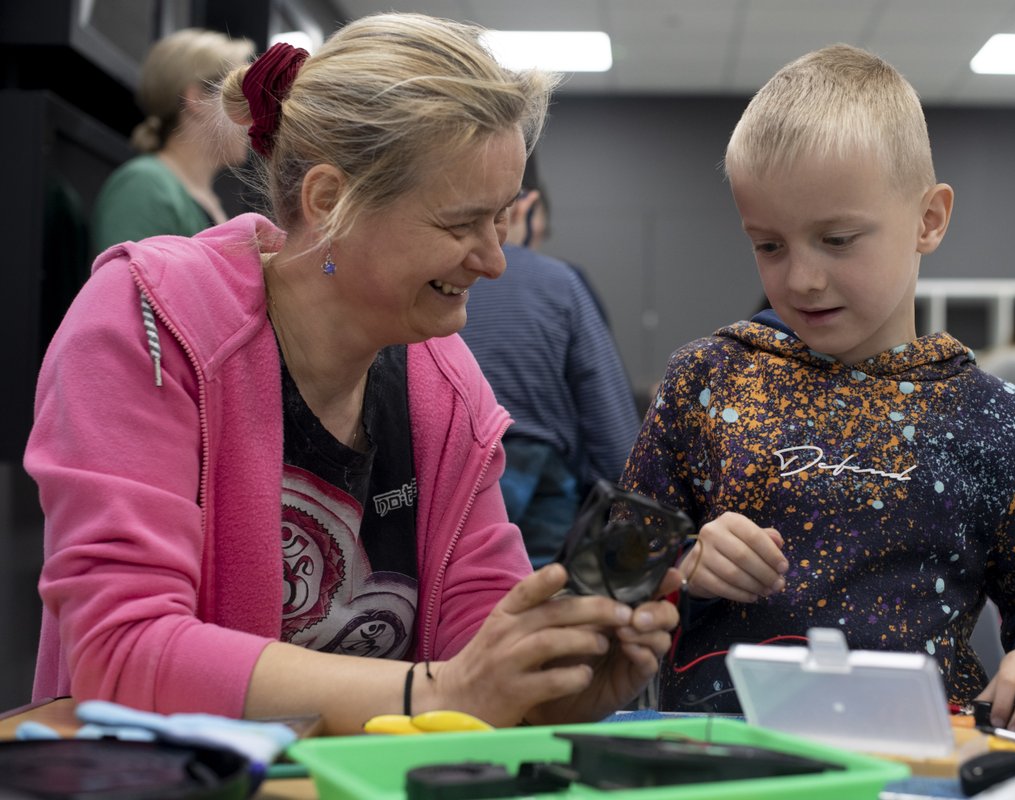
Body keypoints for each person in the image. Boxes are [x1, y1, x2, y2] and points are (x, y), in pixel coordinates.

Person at [26, 13, 678, 736]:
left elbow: (473, 656)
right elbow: (121, 654)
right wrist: (432, 694)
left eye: (500, 220)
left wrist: (557, 687)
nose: (494, 260)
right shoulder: (146, 322)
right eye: (462, 224)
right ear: (330, 200)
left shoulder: (446, 383)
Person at [619, 44, 1015, 732]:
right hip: (730, 755)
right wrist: (682, 559)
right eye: (769, 246)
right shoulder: (707, 381)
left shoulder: (999, 421)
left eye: (839, 239)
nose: (802, 279)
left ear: (928, 220)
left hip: (920, 759)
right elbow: (608, 571)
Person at [459, 155, 642, 567]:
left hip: (448, 488)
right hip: (544, 503)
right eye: (540, 231)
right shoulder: (560, 284)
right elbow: (614, 436)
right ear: (525, 207)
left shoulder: (432, 285)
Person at [91, 28, 255, 254]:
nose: (252, 116)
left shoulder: (201, 198)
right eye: (240, 99)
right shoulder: (144, 186)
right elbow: (129, 286)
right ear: (196, 99)